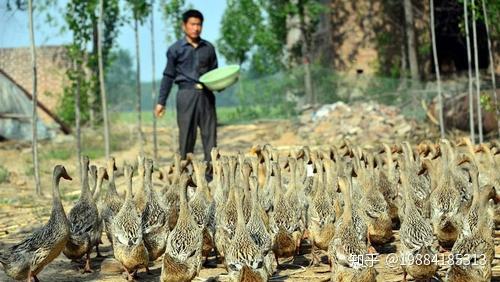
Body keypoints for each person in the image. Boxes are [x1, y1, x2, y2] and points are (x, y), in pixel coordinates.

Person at [155, 9, 218, 168]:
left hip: (206, 95)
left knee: (210, 136)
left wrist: (223, 83)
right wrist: (161, 101)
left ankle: (210, 176)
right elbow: (168, 76)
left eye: (199, 24)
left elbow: (215, 73)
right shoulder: (175, 49)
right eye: (192, 24)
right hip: (186, 94)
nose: (196, 28)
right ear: (184, 26)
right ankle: (185, 176)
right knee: (186, 136)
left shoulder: (208, 48)